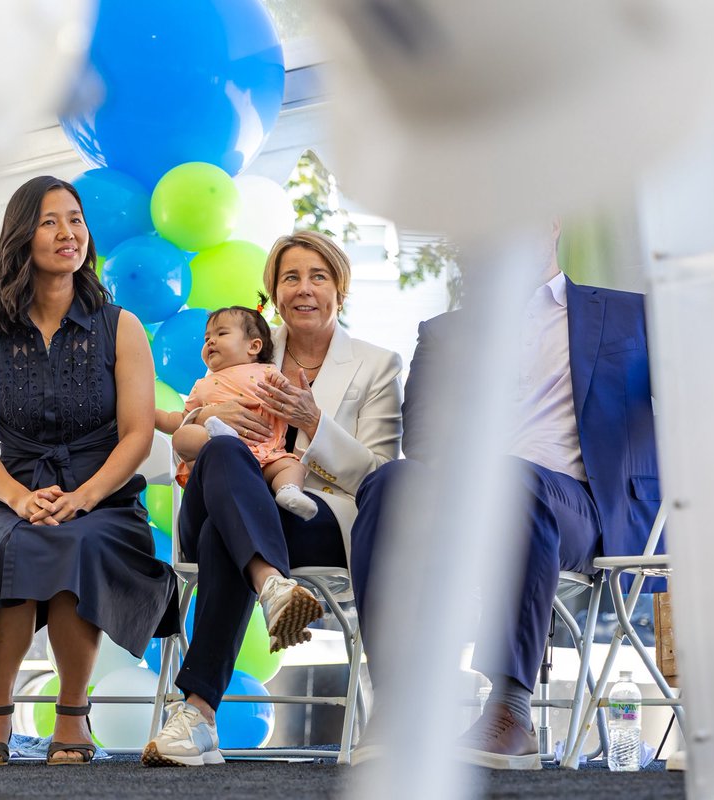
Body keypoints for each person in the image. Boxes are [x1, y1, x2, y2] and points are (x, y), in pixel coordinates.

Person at [349, 221, 661, 769]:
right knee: (390, 482)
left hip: (579, 505)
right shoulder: (444, 331)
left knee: (515, 481)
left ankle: (510, 706)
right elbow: (420, 441)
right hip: (467, 496)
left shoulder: (628, 313)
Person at [143, 230, 403, 768]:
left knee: (224, 533)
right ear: (274, 291)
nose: (303, 289)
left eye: (318, 276)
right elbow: (183, 438)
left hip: (312, 516)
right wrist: (206, 423)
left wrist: (314, 422)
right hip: (221, 491)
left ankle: (197, 715)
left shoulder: (377, 365)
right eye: (290, 278)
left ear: (340, 288)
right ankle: (272, 585)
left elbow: (379, 475)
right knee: (222, 452)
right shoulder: (241, 348)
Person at [0, 176, 178, 767]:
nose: (67, 233)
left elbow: (136, 434)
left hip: (104, 495)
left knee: (78, 541)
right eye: (50, 221)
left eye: (75, 219)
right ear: (22, 236)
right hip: (11, 491)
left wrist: (81, 497)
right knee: (6, 542)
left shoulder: (120, 326)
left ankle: (72, 715)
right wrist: (18, 498)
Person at [155, 301, 318, 522]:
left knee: (291, 465)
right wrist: (149, 413)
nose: (210, 341)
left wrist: (285, 386)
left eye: (221, 333)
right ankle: (223, 439)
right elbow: (180, 419)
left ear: (253, 347)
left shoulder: (268, 371)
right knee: (183, 436)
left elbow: (288, 400)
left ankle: (289, 491)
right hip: (221, 459)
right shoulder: (202, 385)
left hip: (266, 455)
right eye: (206, 339)